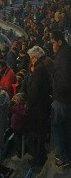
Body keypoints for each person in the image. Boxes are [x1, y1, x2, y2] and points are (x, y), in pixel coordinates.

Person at [24, 45, 52, 166]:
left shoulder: (39, 69)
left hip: (38, 108)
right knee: (39, 133)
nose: (31, 61)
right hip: (44, 104)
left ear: (35, 57)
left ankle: (38, 158)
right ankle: (40, 156)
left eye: (31, 58)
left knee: (33, 134)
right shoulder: (47, 63)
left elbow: (34, 90)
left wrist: (28, 106)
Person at [49, 30, 71, 168]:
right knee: (66, 128)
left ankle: (63, 156)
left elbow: (64, 82)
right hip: (66, 99)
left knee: (58, 127)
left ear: (59, 42)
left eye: (53, 43)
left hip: (62, 100)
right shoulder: (67, 52)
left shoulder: (63, 57)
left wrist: (55, 93)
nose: (52, 46)